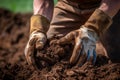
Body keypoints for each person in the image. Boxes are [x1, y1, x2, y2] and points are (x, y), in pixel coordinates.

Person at [25, 0, 120, 68]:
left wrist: (92, 29)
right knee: (46, 52)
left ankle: (98, 45)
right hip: (68, 5)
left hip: (107, 7)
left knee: (115, 57)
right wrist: (37, 30)